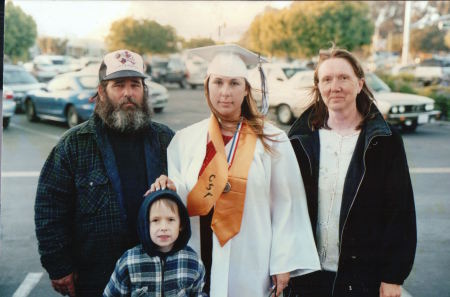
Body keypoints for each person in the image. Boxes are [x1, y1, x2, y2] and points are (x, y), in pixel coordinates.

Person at [149, 44, 320, 297]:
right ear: (207, 86)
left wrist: (282, 263)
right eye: (218, 82)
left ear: (246, 89)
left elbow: (287, 205)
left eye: (234, 83)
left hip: (252, 257)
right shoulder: (185, 140)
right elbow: (182, 199)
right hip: (199, 252)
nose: (225, 92)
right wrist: (173, 188)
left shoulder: (272, 141)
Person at [35, 49, 174, 297]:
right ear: (101, 92)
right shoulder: (74, 144)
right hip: (95, 277)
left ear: (144, 91)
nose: (128, 93)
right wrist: (59, 266)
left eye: (135, 84)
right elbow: (50, 210)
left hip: (159, 275)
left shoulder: (166, 139)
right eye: (118, 85)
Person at [288, 46, 417, 297]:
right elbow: (283, 208)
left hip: (360, 277)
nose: (335, 86)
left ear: (359, 84)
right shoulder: (300, 141)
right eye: (327, 79)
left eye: (343, 78)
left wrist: (392, 276)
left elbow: (400, 212)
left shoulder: (384, 141)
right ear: (319, 87)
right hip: (305, 275)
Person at [103, 189, 206, 296]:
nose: (164, 227)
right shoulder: (129, 261)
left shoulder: (193, 262)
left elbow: (198, 293)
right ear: (146, 225)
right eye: (156, 220)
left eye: (171, 219)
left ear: (181, 225)